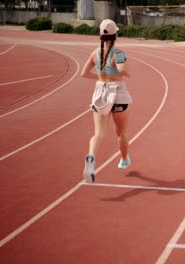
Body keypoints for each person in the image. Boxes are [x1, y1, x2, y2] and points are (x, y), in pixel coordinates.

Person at [81, 19, 132, 183]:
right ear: (115, 34)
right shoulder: (118, 53)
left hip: (100, 92)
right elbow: (122, 70)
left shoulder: (94, 53)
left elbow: (84, 73)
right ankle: (124, 160)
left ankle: (91, 158)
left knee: (98, 134)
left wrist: (102, 77)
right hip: (117, 93)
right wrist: (125, 73)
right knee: (121, 133)